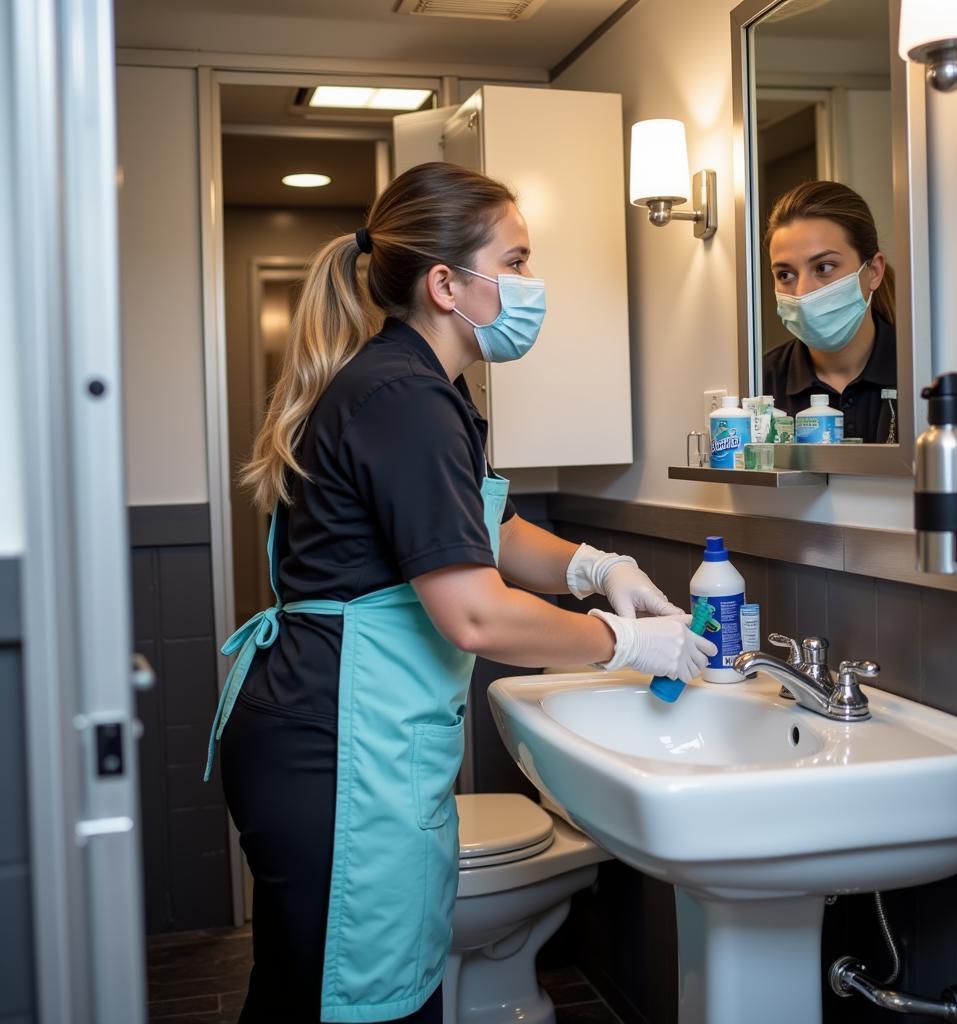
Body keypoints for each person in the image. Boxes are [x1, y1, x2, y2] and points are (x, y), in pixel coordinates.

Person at [203, 161, 715, 1024]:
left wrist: (598, 567)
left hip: (339, 731)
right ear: (446, 283)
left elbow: (491, 534)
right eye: (513, 263)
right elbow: (472, 610)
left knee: (332, 991)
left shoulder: (424, 388)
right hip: (336, 746)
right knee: (350, 1002)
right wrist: (624, 644)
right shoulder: (404, 396)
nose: (528, 284)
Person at [761, 180, 899, 443]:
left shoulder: (918, 371)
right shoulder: (763, 384)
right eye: (785, 274)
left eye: (824, 267)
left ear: (873, 272)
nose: (802, 293)